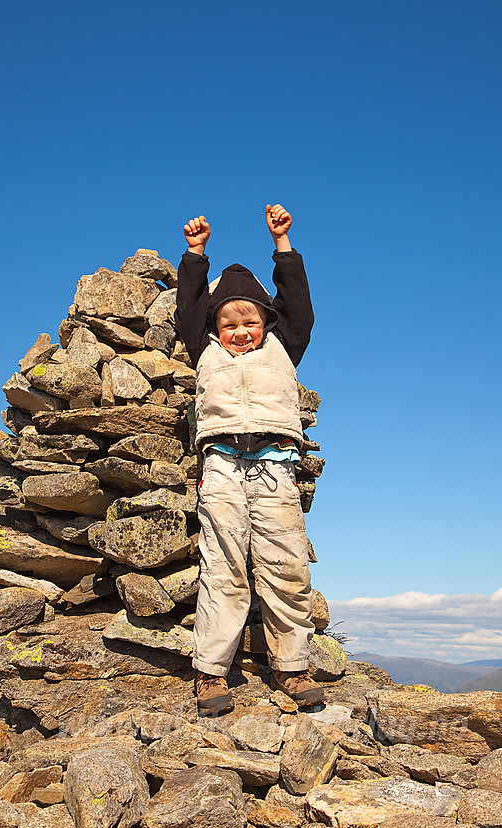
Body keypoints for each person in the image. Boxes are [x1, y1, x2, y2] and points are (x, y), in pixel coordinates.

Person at [176, 204, 324, 715]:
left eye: (250, 319)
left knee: (285, 565)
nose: (240, 330)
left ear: (267, 321)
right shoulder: (204, 348)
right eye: (228, 321)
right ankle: (211, 674)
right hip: (220, 466)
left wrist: (283, 244)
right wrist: (196, 255)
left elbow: (299, 304)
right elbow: (188, 308)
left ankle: (292, 669)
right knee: (222, 567)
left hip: (275, 466)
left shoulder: (285, 346)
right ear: (214, 326)